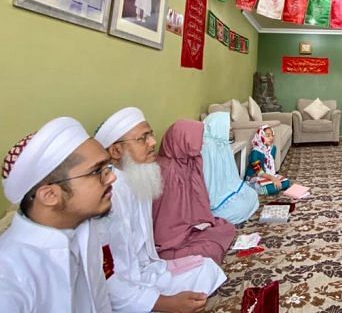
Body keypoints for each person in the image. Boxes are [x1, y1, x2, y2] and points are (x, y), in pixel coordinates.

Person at [95, 107, 227, 312]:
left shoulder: (139, 176)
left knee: (206, 267)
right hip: (124, 291)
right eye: (142, 138)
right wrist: (165, 303)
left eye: (151, 134)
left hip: (148, 271)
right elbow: (107, 278)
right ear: (115, 151)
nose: (152, 143)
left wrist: (160, 270)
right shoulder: (107, 197)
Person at [0, 117, 115, 312]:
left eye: (108, 168)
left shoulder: (82, 228)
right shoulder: (9, 275)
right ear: (50, 195)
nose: (112, 177)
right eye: (97, 171)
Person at [153, 120, 236, 264]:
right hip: (175, 236)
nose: (202, 143)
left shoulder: (192, 161)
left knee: (226, 227)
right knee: (208, 250)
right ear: (183, 139)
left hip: (193, 224)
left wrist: (200, 221)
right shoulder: (166, 170)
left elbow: (200, 198)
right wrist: (189, 227)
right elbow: (167, 220)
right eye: (197, 139)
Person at [202, 112, 259, 224]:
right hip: (216, 197)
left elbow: (232, 176)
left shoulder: (223, 143)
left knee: (252, 194)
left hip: (228, 189)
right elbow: (208, 183)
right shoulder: (206, 148)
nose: (230, 130)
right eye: (227, 127)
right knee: (240, 207)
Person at [245, 125, 292, 195]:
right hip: (255, 177)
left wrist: (273, 178)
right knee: (271, 188)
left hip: (268, 175)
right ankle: (255, 188)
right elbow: (259, 172)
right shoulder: (255, 152)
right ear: (260, 137)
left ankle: (271, 187)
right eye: (268, 136)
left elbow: (270, 166)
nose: (271, 138)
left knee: (287, 182)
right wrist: (273, 178)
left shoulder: (272, 149)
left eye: (272, 135)